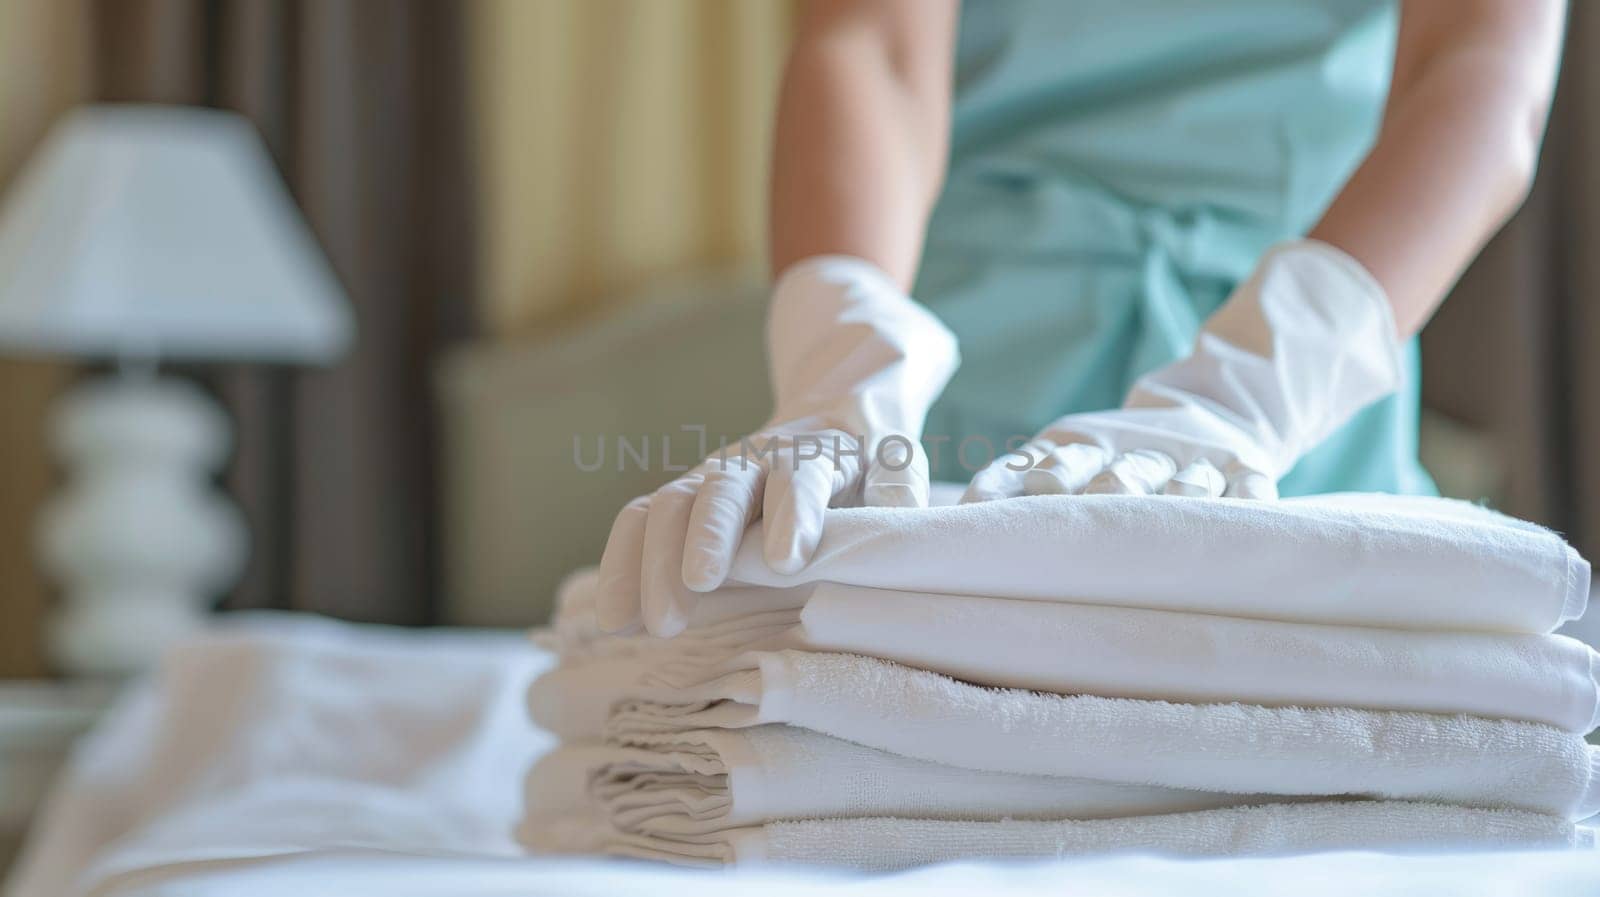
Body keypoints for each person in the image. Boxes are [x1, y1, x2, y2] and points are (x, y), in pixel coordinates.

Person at [596, 0, 1566, 635]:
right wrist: (838, 357)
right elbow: (871, 43)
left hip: (1300, 393)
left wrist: (1246, 393)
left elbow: (1478, 70)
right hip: (952, 410)